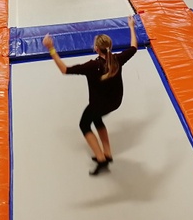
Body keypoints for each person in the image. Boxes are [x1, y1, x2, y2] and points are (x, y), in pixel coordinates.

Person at [43, 15, 138, 175]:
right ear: (109, 47)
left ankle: (101, 159)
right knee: (97, 119)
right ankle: (107, 153)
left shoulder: (92, 66)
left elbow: (65, 70)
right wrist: (131, 26)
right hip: (115, 101)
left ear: (97, 49)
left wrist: (51, 48)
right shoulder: (117, 59)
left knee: (84, 125)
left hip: (99, 104)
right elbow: (134, 47)